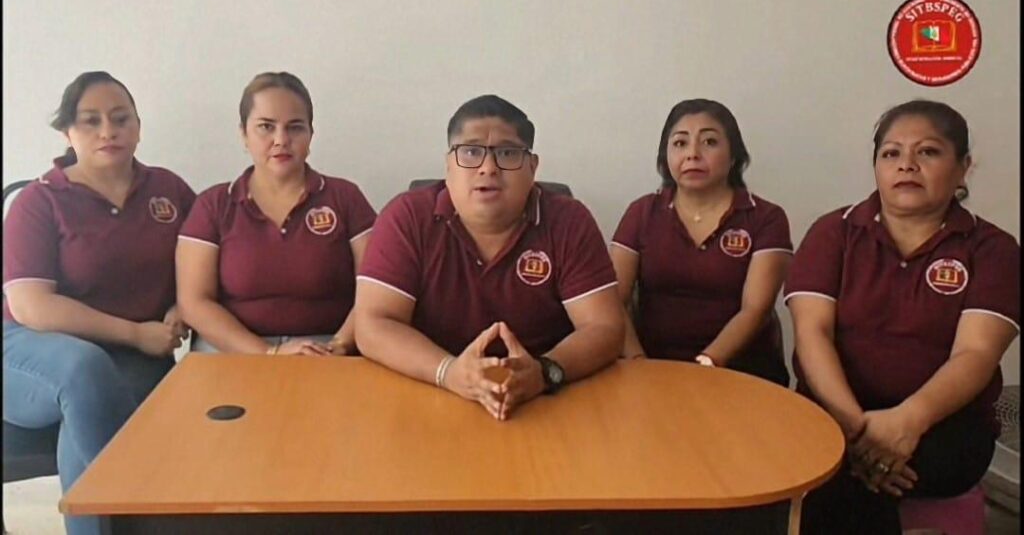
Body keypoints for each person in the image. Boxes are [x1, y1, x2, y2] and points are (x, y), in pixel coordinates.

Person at [785, 99, 1020, 534]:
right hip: (833, 413)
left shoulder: (994, 250)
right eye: (891, 153)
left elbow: (975, 353)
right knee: (831, 467)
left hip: (944, 425)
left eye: (928, 152)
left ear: (963, 167)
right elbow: (811, 333)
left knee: (846, 480)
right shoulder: (834, 232)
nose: (906, 164)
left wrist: (906, 422)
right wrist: (856, 429)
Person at [3, 71, 195, 535]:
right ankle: (135, 511)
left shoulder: (167, 190)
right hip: (28, 351)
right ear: (67, 133)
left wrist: (183, 305)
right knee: (85, 370)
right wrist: (135, 333)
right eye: (91, 121)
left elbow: (203, 263)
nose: (108, 131)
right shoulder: (40, 201)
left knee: (91, 404)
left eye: (120, 118)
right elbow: (32, 307)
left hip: (132, 357)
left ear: (138, 127)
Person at [354, 94, 624, 422]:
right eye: (471, 151)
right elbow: (373, 324)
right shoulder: (407, 217)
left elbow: (605, 327)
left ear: (533, 167)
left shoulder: (569, 221)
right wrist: (448, 372)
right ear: (448, 164)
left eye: (507, 153)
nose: (488, 168)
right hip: (428, 390)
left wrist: (544, 372)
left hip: (543, 401)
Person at [176, 72, 376, 356]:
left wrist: (337, 346)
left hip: (326, 346)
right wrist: (268, 353)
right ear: (244, 134)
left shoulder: (346, 198)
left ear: (310, 135)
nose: (281, 140)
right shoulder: (213, 205)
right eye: (266, 127)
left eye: (295, 127)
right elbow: (194, 303)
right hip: (232, 349)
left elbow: (376, 290)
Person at [610, 99, 791, 385]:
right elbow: (612, 300)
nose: (693, 154)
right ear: (665, 156)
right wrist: (638, 363)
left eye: (709, 142)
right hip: (651, 367)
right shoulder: (642, 212)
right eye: (680, 143)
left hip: (741, 372)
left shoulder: (765, 218)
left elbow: (755, 310)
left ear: (734, 156)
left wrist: (705, 364)